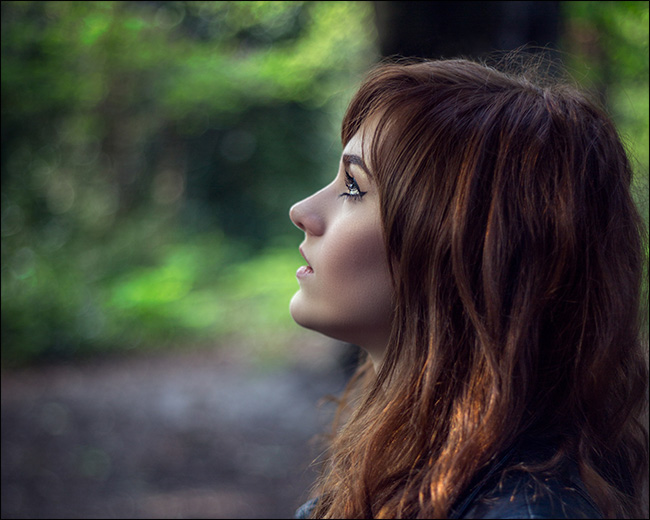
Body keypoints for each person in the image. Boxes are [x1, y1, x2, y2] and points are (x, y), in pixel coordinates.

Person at [288, 55, 648, 519]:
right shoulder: (410, 467)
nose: (302, 211)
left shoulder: (525, 511)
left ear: (468, 247)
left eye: (354, 186)